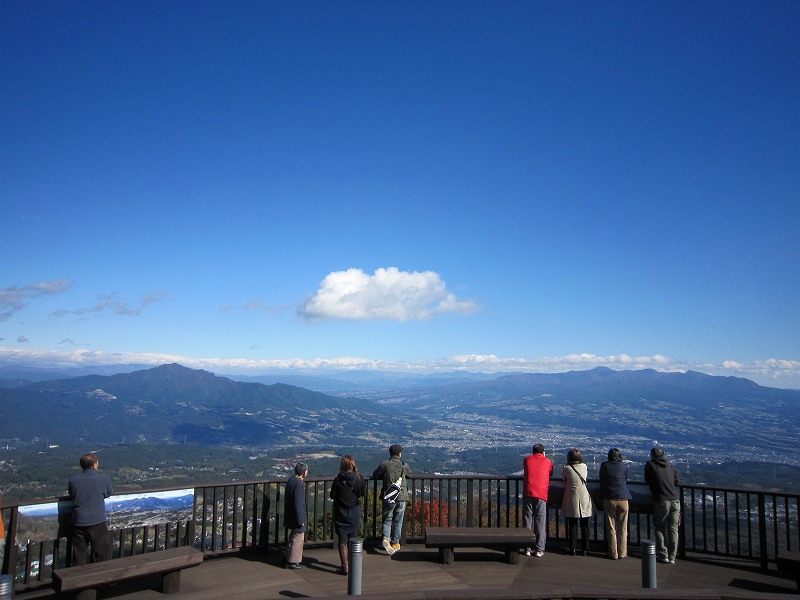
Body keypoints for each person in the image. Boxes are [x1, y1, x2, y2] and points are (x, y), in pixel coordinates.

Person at [68, 454, 113, 565]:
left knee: (78, 555)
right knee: (101, 554)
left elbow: (72, 494)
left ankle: (77, 579)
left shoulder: (73, 481)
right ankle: (100, 579)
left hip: (78, 522)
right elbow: (108, 493)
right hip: (97, 522)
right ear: (94, 465)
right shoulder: (104, 479)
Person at [330, 455, 366, 575]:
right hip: (354, 512)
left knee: (342, 541)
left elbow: (332, 495)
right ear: (353, 465)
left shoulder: (338, 480)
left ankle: (345, 567)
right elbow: (362, 494)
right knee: (353, 540)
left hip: (341, 513)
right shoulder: (359, 479)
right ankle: (354, 564)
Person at [373, 444, 411, 555]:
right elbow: (410, 474)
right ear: (399, 454)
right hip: (402, 497)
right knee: (398, 521)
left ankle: (386, 538)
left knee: (387, 519)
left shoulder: (384, 464)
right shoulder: (404, 465)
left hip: (389, 496)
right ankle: (396, 542)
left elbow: (375, 474)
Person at [644, 447, 681, 564]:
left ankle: (663, 554)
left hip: (661, 500)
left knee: (660, 527)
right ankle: (672, 556)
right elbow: (677, 481)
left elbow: (647, 479)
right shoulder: (669, 465)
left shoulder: (650, 464)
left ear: (652, 455)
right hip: (675, 500)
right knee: (673, 529)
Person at [599, 448, 632, 559]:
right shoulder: (625, 466)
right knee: (623, 527)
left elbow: (602, 478)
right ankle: (622, 552)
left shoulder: (605, 465)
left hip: (609, 498)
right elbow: (625, 479)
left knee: (611, 527)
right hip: (623, 498)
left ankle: (613, 553)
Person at [522, 443, 553, 557]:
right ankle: (539, 549)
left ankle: (527, 547)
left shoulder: (527, 460)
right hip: (541, 493)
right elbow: (550, 472)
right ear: (543, 452)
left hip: (528, 492)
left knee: (527, 520)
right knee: (540, 520)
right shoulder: (547, 461)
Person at [561, 448, 592, 556]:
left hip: (571, 498)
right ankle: (585, 549)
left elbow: (564, 479)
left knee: (572, 524)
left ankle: (572, 548)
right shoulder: (584, 466)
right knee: (585, 525)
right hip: (584, 497)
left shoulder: (567, 468)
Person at [284, 462, 309, 569]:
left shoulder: (291, 480)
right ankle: (292, 561)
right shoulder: (298, 483)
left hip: (290, 514)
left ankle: (288, 557)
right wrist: (300, 520)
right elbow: (298, 503)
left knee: (293, 537)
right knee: (297, 538)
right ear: (304, 472)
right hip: (297, 516)